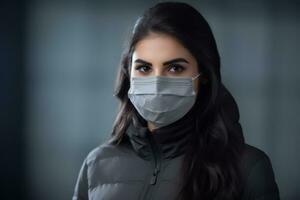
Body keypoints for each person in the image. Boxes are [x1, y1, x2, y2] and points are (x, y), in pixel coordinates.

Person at [72, 2, 280, 200]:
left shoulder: (249, 168)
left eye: (175, 68)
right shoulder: (96, 164)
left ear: (204, 74)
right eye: (144, 68)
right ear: (128, 74)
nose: (157, 84)